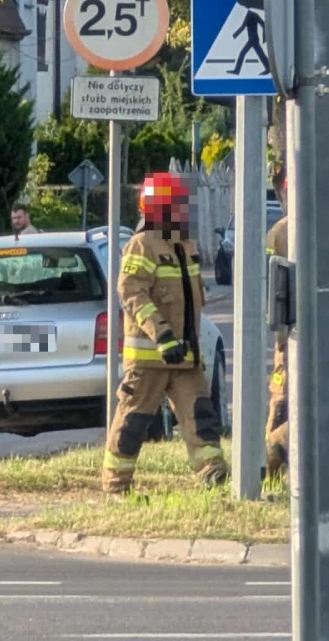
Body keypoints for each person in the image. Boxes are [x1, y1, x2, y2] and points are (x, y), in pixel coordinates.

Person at [101, 172, 228, 494]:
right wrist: (162, 336)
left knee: (201, 419)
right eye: (178, 206)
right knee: (133, 424)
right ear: (158, 209)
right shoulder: (141, 245)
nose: (185, 212)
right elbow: (132, 293)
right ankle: (116, 487)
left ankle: (213, 476)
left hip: (186, 358)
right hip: (149, 360)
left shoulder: (185, 245)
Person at [263, 166, 329, 483]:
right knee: (285, 402)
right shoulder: (280, 234)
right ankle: (270, 462)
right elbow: (270, 285)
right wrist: (282, 330)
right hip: (295, 336)